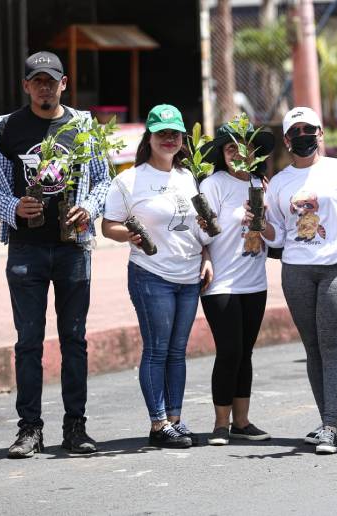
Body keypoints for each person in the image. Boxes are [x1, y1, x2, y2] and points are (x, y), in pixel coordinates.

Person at [0, 51, 110, 458]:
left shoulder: (84, 127)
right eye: (37, 80)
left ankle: (76, 427)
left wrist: (88, 206)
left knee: (74, 339)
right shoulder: (7, 129)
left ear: (64, 83)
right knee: (28, 342)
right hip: (26, 250)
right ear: (26, 85)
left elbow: (104, 180)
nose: (44, 86)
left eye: (51, 80)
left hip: (73, 249)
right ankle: (30, 430)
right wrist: (14, 207)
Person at [244, 107, 337, 454]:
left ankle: (331, 426)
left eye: (310, 129)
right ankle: (324, 421)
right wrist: (257, 220)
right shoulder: (279, 182)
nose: (304, 136)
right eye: (296, 131)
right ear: (287, 140)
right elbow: (275, 237)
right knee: (312, 348)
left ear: (321, 134)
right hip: (297, 270)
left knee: (332, 346)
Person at [101, 104, 215, 449]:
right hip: (151, 274)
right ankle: (158, 422)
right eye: (162, 133)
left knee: (178, 351)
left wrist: (207, 256)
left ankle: (175, 421)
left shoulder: (188, 177)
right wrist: (129, 235)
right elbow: (109, 226)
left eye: (175, 134)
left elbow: (199, 225)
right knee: (156, 350)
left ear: (183, 139)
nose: (169, 139)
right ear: (149, 138)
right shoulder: (129, 180)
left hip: (189, 274)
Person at [196, 120, 276, 445]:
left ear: (254, 152)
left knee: (246, 353)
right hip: (222, 284)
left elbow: (276, 237)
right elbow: (201, 234)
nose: (239, 153)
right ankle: (220, 424)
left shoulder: (261, 184)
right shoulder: (212, 185)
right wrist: (234, 220)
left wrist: (263, 218)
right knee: (228, 351)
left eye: (246, 147)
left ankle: (242, 422)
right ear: (222, 154)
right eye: (231, 148)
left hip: (255, 282)